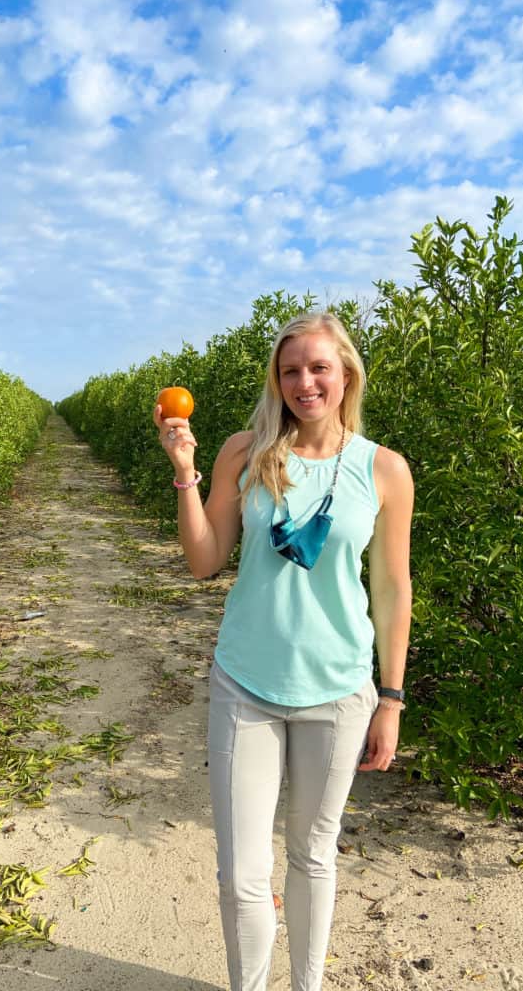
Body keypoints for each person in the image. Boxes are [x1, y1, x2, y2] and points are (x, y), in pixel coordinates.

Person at [154, 312, 414, 991]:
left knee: (312, 855)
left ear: (346, 375)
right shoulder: (244, 452)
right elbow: (205, 560)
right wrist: (183, 471)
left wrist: (391, 697)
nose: (305, 382)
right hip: (246, 683)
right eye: (291, 369)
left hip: (339, 689)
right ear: (277, 378)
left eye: (319, 367)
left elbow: (391, 588)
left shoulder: (383, 469)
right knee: (242, 872)